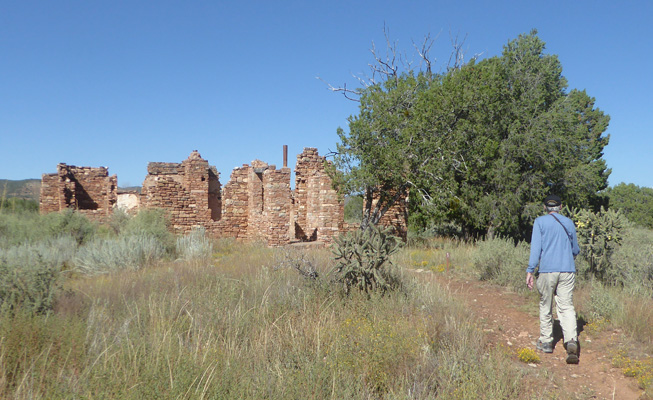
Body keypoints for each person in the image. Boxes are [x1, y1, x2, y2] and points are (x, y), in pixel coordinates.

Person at [526, 194, 581, 364]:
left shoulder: (540, 222)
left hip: (547, 270)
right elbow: (576, 249)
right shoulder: (569, 223)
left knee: (546, 304)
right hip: (567, 270)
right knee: (566, 306)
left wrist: (530, 270)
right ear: (561, 207)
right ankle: (571, 340)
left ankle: (546, 341)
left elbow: (536, 249)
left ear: (545, 207)